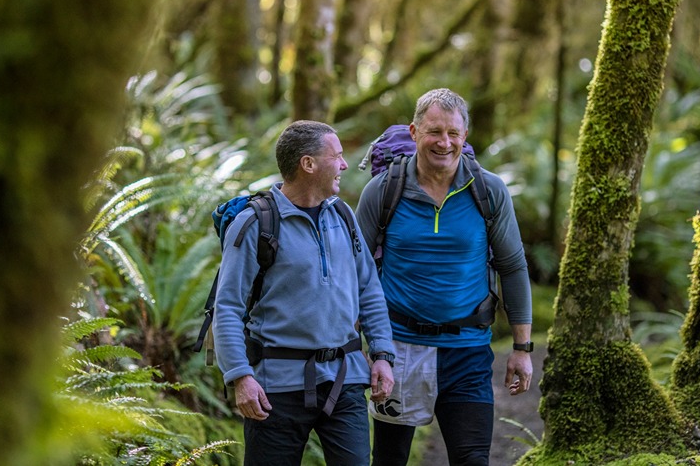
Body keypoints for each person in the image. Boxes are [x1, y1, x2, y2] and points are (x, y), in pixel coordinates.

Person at [355, 88, 533, 466]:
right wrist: (357, 342)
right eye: (434, 131)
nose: (444, 142)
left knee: (472, 458)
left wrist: (522, 348)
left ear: (465, 136)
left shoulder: (489, 191)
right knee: (389, 459)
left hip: (467, 351)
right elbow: (354, 268)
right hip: (397, 349)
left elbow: (512, 266)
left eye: (453, 133)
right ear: (414, 131)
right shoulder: (383, 190)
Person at [213, 120, 396, 466]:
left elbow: (369, 288)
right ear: (308, 164)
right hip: (274, 388)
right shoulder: (254, 224)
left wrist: (383, 354)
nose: (344, 165)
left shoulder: (343, 216)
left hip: (345, 379)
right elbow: (227, 307)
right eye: (337, 156)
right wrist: (239, 375)